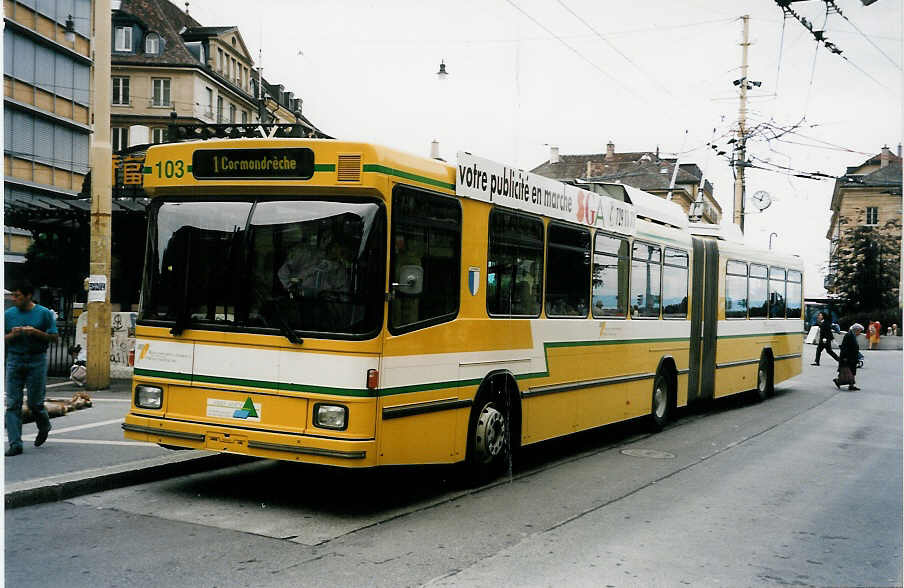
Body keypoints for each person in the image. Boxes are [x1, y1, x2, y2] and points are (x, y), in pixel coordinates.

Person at [4, 281, 58, 456]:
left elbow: (54, 337)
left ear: (28, 296)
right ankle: (15, 443)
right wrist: (12, 334)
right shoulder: (8, 314)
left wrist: (36, 332)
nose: (14, 299)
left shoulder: (44, 313)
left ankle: (44, 425)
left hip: (36, 360)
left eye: (17, 295)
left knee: (35, 402)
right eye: (13, 295)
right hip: (14, 359)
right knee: (13, 403)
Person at [834, 323, 863, 391]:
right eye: (860, 331)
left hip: (852, 357)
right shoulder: (849, 335)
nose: (860, 333)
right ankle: (838, 381)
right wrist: (845, 357)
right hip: (848, 357)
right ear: (856, 330)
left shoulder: (852, 335)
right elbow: (845, 347)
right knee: (848, 371)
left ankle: (851, 385)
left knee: (852, 371)